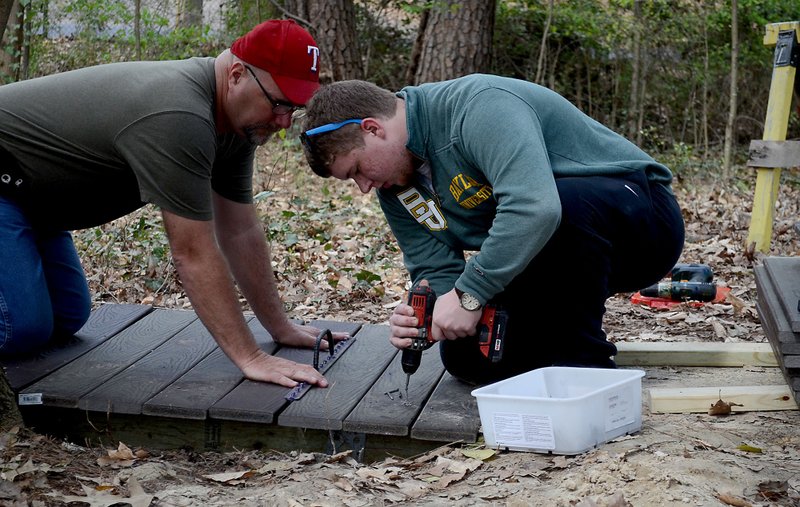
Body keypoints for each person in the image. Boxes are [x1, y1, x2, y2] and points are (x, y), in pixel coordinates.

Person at [0, 19, 347, 389]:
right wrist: (250, 357)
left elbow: (240, 229)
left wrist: (279, 326)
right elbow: (193, 253)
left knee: (67, 315)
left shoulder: (237, 125)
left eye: (293, 109)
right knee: (22, 328)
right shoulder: (180, 116)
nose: (283, 122)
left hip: (37, 201)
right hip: (6, 180)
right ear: (236, 75)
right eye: (279, 104)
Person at [300, 75, 685, 385]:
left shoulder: (479, 106)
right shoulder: (395, 183)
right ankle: (552, 358)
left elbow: (535, 208)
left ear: (372, 129)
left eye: (356, 171)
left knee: (556, 204)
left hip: (641, 221)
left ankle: (585, 366)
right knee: (469, 359)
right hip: (547, 252)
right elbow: (434, 269)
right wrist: (430, 315)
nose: (364, 187)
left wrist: (469, 295)